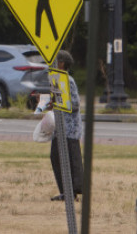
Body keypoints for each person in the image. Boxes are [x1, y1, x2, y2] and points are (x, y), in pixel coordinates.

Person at [50, 49, 83, 201]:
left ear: (62, 63)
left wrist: (58, 101)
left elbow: (75, 103)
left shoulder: (68, 80)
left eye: (55, 61)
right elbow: (56, 101)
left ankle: (71, 192)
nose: (52, 64)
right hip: (60, 128)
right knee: (56, 158)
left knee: (69, 160)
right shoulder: (56, 79)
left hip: (69, 129)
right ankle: (66, 192)